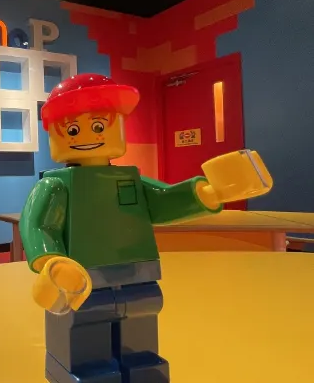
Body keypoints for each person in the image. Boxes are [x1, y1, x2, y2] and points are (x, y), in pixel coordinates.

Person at [20, 73, 273, 383]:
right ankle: (86, 368)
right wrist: (51, 259)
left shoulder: (129, 179)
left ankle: (140, 363)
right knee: (85, 321)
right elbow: (38, 224)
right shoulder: (55, 185)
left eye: (99, 126)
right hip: (82, 277)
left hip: (137, 270)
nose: (88, 135)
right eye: (73, 129)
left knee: (139, 313)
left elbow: (162, 202)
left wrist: (209, 193)